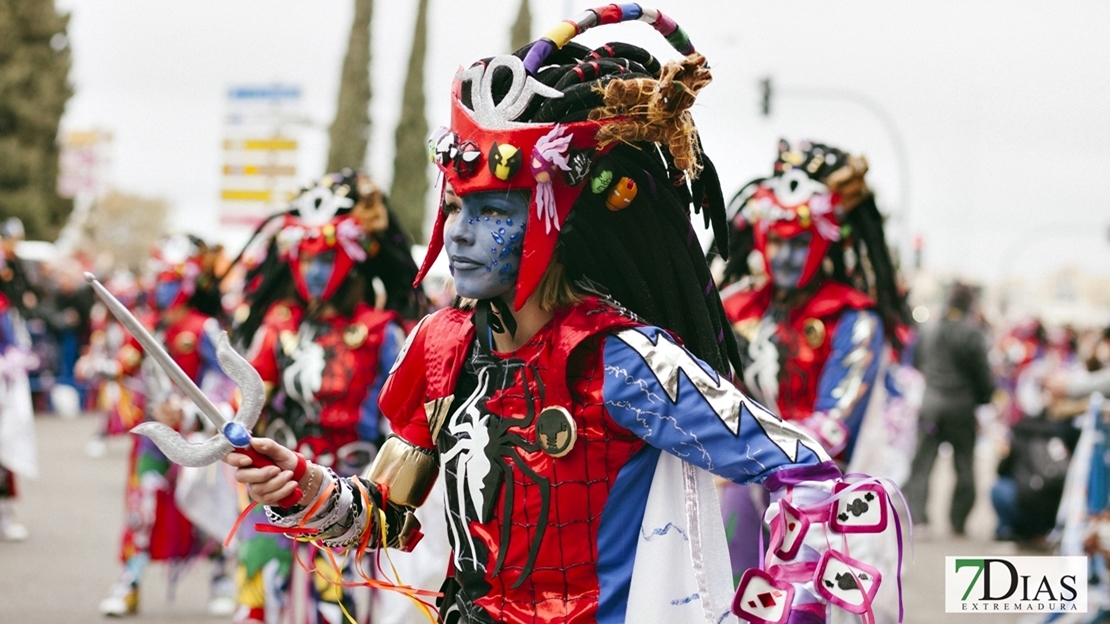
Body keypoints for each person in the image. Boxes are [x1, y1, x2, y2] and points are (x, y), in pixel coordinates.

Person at [223, 7, 907, 623]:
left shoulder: (622, 359)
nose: (458, 233)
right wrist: (300, 484)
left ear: (556, 222)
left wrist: (778, 609)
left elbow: (809, 472)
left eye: (492, 213)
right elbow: (387, 518)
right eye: (457, 208)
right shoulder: (441, 347)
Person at [227, 170, 435, 624]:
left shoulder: (383, 332)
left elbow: (406, 428)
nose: (313, 272)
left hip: (350, 498)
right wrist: (234, 429)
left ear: (353, 258)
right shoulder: (280, 324)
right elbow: (247, 400)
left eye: (325, 259)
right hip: (279, 489)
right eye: (304, 259)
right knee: (259, 599)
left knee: (339, 610)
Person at [99, 234, 237, 617]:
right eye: (160, 280)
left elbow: (228, 380)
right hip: (152, 436)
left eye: (172, 280)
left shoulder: (204, 327)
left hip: (197, 436)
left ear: (188, 284)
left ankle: (221, 577)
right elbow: (126, 362)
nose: (164, 289)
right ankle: (130, 581)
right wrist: (104, 367)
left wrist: (192, 412)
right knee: (142, 509)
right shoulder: (147, 327)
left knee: (208, 506)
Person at [903, 283, 995, 536]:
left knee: (922, 463)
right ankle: (957, 520)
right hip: (961, 407)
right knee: (964, 464)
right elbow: (984, 376)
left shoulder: (928, 329)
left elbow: (916, 362)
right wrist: (983, 400)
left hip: (931, 403)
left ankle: (919, 518)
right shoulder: (973, 334)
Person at [0, 217, 37, 541]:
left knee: (5, 448)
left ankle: (6, 513)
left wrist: (11, 362)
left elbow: (13, 347)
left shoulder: (3, 309)